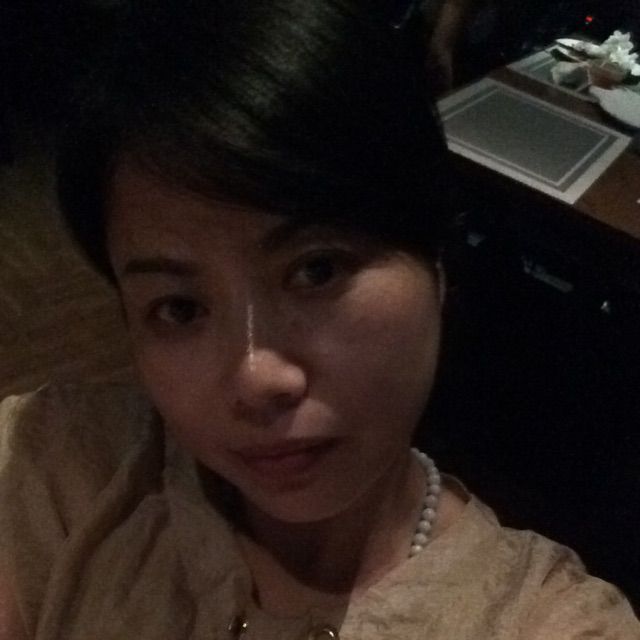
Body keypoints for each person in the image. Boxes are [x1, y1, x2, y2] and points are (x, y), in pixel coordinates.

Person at [0, 1, 638, 638]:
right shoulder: (59, 471)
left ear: (437, 260)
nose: (257, 380)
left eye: (317, 271)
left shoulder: (544, 620)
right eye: (181, 308)